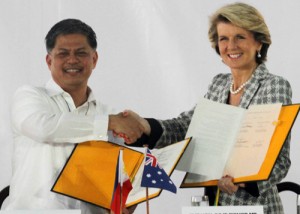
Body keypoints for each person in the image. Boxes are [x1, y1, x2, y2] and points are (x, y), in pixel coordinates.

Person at [127, 2, 292, 213]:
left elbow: (280, 159)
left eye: (240, 37)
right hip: (213, 204)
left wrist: (243, 181)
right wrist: (145, 127)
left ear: (259, 42)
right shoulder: (218, 83)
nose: (230, 46)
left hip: (255, 207)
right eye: (224, 38)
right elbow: (187, 126)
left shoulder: (274, 86)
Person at [5, 19, 143, 214]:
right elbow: (45, 128)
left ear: (94, 59)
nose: (72, 60)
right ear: (49, 61)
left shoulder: (107, 113)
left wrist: (125, 201)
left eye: (81, 53)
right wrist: (110, 123)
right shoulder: (29, 96)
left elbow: (117, 179)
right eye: (63, 53)